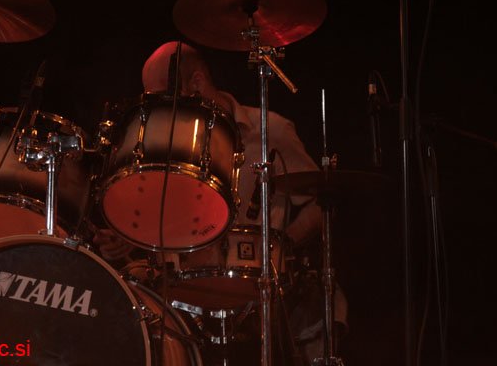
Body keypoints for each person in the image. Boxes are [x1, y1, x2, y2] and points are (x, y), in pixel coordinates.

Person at [94, 40, 347, 364]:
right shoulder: (169, 143)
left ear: (197, 82)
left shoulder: (270, 130)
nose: (161, 108)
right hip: (183, 285)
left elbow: (318, 201)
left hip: (258, 286)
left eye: (165, 96)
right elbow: (164, 221)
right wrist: (128, 239)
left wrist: (278, 249)